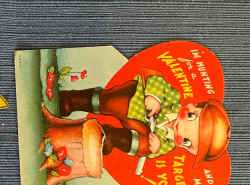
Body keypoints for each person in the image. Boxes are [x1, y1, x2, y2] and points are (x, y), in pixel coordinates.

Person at [58, 69, 230, 167]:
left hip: (137, 128)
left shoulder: (168, 143)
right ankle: (73, 100)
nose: (179, 128)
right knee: (110, 103)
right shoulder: (172, 98)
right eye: (190, 116)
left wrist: (156, 148)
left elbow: (157, 151)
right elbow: (157, 80)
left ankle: (111, 137)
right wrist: (154, 97)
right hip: (133, 101)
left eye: (186, 141)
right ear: (193, 106)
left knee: (146, 147)